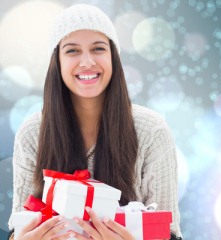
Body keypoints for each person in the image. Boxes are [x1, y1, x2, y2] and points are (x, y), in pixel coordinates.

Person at [8, 4, 182, 240]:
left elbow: (169, 233)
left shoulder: (151, 131)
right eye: (72, 51)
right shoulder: (33, 133)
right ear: (56, 62)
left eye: (98, 48)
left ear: (114, 58)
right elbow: (19, 227)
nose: (87, 61)